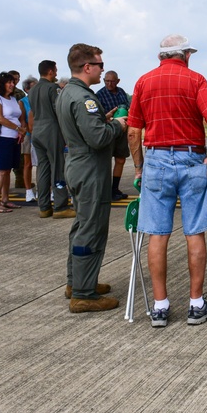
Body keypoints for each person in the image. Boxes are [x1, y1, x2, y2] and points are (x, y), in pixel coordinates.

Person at [127, 35, 207, 328]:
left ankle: (160, 306)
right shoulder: (196, 80)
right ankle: (196, 304)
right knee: (194, 232)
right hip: (191, 158)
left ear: (160, 57)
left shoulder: (144, 82)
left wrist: (140, 168)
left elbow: (133, 131)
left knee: (158, 234)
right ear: (186, 56)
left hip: (155, 160)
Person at [57, 43, 128, 313]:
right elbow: (98, 138)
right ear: (87, 67)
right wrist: (117, 125)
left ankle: (77, 282)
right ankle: (84, 294)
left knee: (81, 225)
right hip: (90, 168)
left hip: (77, 164)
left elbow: (86, 127)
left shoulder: (68, 93)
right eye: (99, 65)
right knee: (92, 228)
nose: (101, 69)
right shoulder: (84, 98)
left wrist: (103, 119)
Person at [29, 60, 73, 219]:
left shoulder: (32, 90)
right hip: (51, 130)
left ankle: (44, 206)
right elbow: (59, 111)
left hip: (37, 130)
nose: (56, 73)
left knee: (42, 169)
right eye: (54, 70)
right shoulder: (53, 88)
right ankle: (61, 206)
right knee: (58, 167)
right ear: (49, 71)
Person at [0, 72, 26, 213]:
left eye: (13, 82)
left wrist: (21, 129)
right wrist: (18, 128)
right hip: (2, 137)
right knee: (1, 170)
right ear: (1, 84)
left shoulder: (12, 99)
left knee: (8, 170)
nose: (12, 85)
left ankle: (5, 199)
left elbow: (20, 115)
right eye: (9, 82)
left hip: (14, 138)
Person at [96, 70, 131, 200]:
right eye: (107, 81)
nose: (109, 83)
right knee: (105, 161)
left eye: (112, 81)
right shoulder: (100, 95)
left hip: (121, 131)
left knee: (120, 159)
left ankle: (114, 189)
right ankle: (104, 190)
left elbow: (127, 107)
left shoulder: (121, 92)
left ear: (117, 81)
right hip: (109, 130)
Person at [20, 76, 38, 204]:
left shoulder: (40, 100)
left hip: (41, 133)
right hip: (28, 134)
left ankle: (42, 189)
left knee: (42, 165)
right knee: (28, 163)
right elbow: (22, 120)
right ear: (27, 89)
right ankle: (28, 191)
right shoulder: (23, 102)